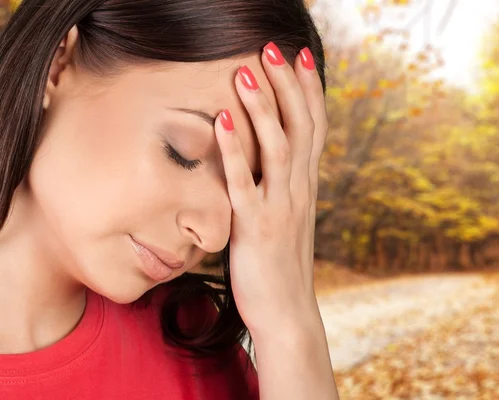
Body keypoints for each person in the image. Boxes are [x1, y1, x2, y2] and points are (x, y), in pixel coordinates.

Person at [0, 0, 338, 399]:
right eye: (182, 152)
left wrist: (290, 327)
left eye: (245, 187)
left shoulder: (195, 346)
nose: (213, 237)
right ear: (57, 64)